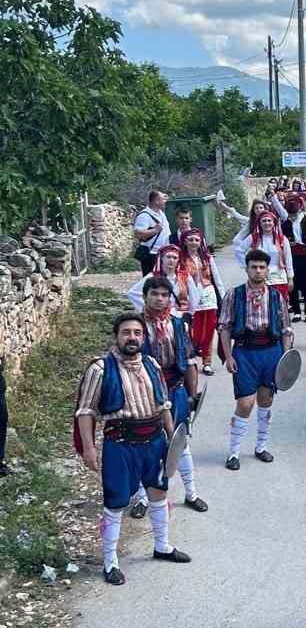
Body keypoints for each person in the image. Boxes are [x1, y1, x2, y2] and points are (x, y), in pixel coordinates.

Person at [73, 310, 191, 586]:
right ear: (116, 336)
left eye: (137, 333)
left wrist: (174, 439)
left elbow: (163, 404)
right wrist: (89, 449)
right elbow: (86, 412)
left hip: (154, 441)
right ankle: (110, 561)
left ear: (143, 337)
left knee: (159, 492)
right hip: (120, 443)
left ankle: (161, 545)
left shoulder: (151, 364)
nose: (132, 337)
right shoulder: (99, 369)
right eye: (126, 332)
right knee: (115, 503)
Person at [135, 277, 207, 514]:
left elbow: (189, 362)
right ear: (145, 296)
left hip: (175, 390)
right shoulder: (134, 326)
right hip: (143, 393)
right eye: (154, 294)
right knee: (143, 445)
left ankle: (191, 493)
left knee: (180, 442)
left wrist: (191, 395)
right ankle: (141, 498)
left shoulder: (177, 325)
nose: (159, 299)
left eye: (164, 295)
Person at [218, 248, 294, 470]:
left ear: (267, 269)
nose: (258, 271)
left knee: (266, 400)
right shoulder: (234, 294)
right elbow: (224, 327)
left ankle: (261, 447)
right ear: (247, 268)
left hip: (271, 352)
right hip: (245, 352)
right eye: (254, 267)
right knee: (244, 403)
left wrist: (285, 359)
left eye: (262, 267)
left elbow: (286, 328)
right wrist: (228, 356)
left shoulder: (275, 296)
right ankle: (233, 452)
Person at [178, 228, 224, 375]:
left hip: (208, 296)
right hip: (191, 298)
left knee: (209, 330)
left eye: (196, 240)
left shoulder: (207, 258)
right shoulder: (180, 259)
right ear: (185, 241)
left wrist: (223, 297)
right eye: (190, 239)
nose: (193, 243)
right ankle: (192, 359)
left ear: (201, 242)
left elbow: (216, 279)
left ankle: (207, 361)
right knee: (193, 330)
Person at [234, 207, 292, 307]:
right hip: (260, 277)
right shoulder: (254, 237)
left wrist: (290, 278)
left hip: (279, 277)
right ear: (260, 224)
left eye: (269, 220)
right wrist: (248, 267)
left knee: (280, 307)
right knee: (262, 307)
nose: (267, 223)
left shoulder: (282, 239)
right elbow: (239, 250)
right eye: (264, 221)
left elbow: (288, 259)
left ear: (274, 223)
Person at [128, 243, 196, 316]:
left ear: (178, 260)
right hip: (159, 316)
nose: (171, 260)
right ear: (162, 258)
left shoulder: (185, 276)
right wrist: (149, 308)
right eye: (168, 257)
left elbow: (194, 297)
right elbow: (132, 293)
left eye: (175, 258)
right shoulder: (153, 276)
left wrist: (190, 314)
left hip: (180, 316)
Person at [282, 198, 306, 323]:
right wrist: (288, 243)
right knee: (293, 283)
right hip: (292, 255)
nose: (292, 217)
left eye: (294, 215)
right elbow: (283, 241)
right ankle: (296, 311)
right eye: (290, 215)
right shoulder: (285, 223)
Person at [131, 189, 171, 276]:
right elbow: (138, 233)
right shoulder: (144, 215)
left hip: (163, 253)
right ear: (156, 201)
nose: (165, 201)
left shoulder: (160, 213)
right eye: (163, 199)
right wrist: (155, 230)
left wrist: (163, 196)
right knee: (151, 281)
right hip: (151, 254)